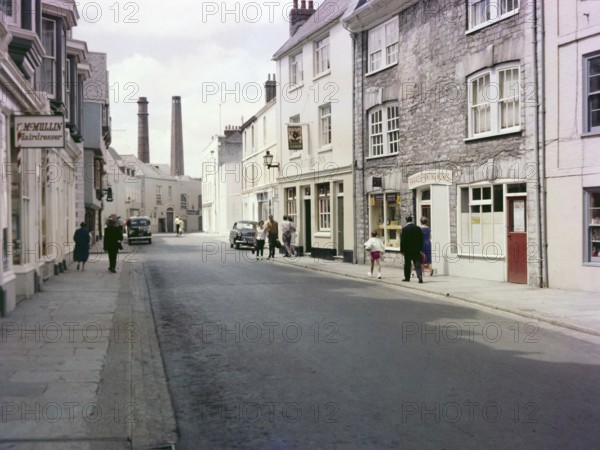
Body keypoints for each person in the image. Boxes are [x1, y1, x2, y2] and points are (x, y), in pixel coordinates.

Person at [400, 216, 424, 283]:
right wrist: (420, 248)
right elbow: (421, 239)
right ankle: (419, 276)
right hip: (416, 249)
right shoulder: (417, 228)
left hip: (407, 250)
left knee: (407, 264)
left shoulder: (404, 229)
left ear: (406, 220)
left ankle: (407, 278)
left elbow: (402, 241)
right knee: (417, 263)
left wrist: (402, 250)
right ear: (412, 220)